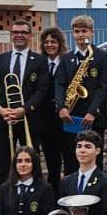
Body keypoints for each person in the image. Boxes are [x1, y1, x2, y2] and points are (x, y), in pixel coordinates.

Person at [0, 18, 50, 185]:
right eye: (15, 32)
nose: (19, 35)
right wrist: (0, 109)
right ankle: (5, 200)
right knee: (4, 163)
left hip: (29, 119)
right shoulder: (0, 59)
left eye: (23, 32)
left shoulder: (39, 60)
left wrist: (24, 109)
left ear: (30, 35)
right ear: (11, 35)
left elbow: (42, 90)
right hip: (4, 119)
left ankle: (32, 196)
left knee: (31, 162)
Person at [57, 14, 107, 176]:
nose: (80, 35)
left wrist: (92, 111)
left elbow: (105, 87)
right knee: (71, 159)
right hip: (71, 116)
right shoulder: (66, 58)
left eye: (84, 31)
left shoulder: (103, 56)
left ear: (92, 32)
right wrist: (62, 108)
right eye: (77, 31)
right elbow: (60, 84)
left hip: (94, 118)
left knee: (95, 160)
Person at [36, 26, 69, 186]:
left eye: (53, 42)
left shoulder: (67, 62)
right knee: (51, 161)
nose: (49, 45)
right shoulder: (38, 62)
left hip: (63, 118)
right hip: (44, 119)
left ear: (60, 43)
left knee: (68, 157)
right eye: (46, 42)